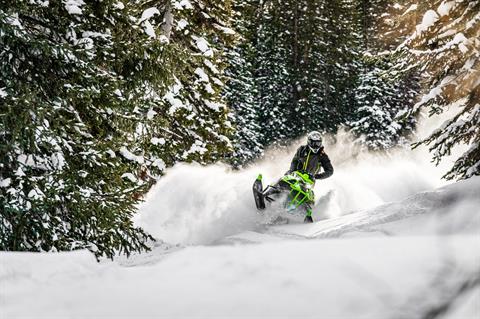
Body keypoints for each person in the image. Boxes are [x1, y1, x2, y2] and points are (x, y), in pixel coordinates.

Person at [287, 131, 334, 223]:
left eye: (318, 143)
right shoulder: (301, 149)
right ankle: (269, 192)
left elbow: (330, 171)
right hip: (295, 174)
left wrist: (317, 176)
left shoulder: (323, 156)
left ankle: (306, 212)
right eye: (313, 143)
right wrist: (292, 171)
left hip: (309, 180)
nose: (316, 145)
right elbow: (295, 161)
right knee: (284, 181)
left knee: (307, 196)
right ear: (309, 142)